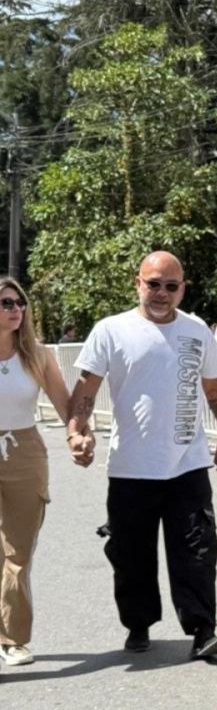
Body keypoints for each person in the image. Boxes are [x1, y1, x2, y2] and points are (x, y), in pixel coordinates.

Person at [66, 251, 217, 659]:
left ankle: (202, 631)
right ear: (137, 283)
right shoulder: (111, 330)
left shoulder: (197, 330)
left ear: (182, 288)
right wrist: (76, 431)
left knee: (197, 549)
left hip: (188, 464)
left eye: (170, 286)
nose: (161, 293)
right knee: (131, 554)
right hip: (131, 468)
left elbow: (214, 388)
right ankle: (138, 624)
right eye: (153, 284)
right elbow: (86, 390)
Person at [0, 278, 72, 667]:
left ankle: (11, 639)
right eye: (6, 303)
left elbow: (64, 403)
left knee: (18, 550)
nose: (16, 309)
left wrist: (79, 436)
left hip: (24, 450)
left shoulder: (37, 356)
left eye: (20, 302)